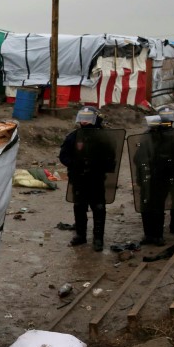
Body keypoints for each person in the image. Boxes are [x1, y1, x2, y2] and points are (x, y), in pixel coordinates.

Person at [59, 106, 117, 252]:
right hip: (78, 178)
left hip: (96, 178)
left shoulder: (104, 137)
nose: (84, 122)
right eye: (82, 118)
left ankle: (98, 239)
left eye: (88, 118)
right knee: (79, 206)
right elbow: (63, 155)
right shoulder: (74, 136)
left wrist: (100, 166)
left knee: (98, 207)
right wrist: (74, 164)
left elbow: (111, 157)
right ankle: (80, 235)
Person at [135, 108, 174, 245]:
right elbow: (139, 157)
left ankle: (173, 225)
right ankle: (152, 234)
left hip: (171, 173)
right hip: (155, 175)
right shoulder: (149, 135)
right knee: (153, 204)